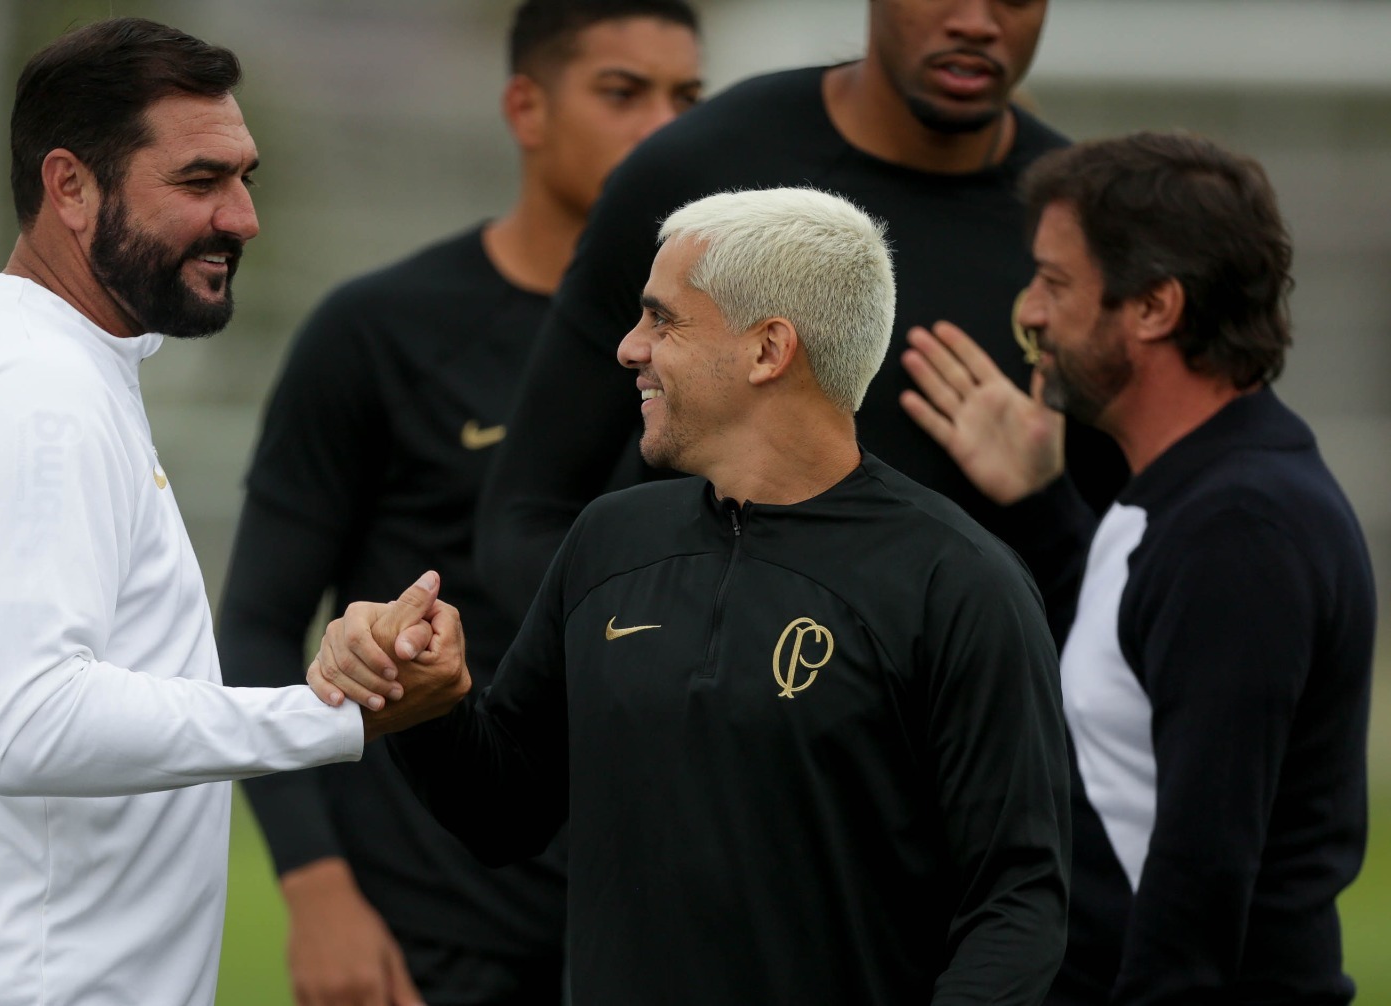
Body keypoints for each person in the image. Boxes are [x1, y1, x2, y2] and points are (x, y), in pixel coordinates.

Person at [311, 188, 1072, 1004]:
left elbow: (1017, 904)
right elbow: (508, 815)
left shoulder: (959, 582)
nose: (629, 348)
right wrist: (427, 703)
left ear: (767, 349)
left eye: (662, 320)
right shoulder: (609, 541)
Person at [0, 19, 384, 1006]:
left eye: (245, 178)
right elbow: (29, 720)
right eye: (200, 182)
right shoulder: (38, 394)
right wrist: (331, 714)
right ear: (69, 187)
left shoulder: (5, 359)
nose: (243, 217)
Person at [217, 3, 701, 1003]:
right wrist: (317, 891)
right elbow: (259, 625)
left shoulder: (731, 351)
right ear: (525, 106)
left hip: (657, 921)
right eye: (622, 92)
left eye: (686, 99)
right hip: (431, 927)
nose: (663, 127)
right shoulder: (380, 329)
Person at [898, 132, 1376, 1003]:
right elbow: (1129, 690)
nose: (1030, 311)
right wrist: (1041, 507)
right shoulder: (1187, 495)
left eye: (1055, 281)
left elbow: (1201, 875)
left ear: (1154, 306)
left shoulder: (1240, 527)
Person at [474, 0, 1126, 629]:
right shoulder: (694, 167)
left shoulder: (1084, 229)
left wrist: (1044, 504)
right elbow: (528, 517)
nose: (977, 22)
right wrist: (663, 663)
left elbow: (1146, 586)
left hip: (951, 730)